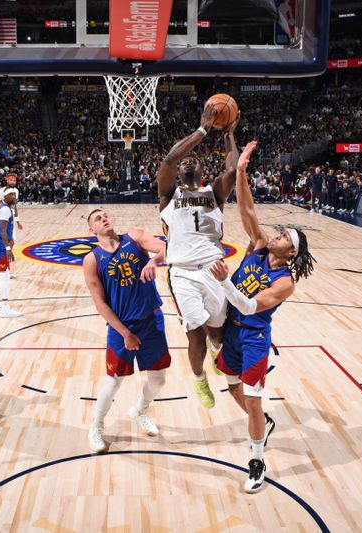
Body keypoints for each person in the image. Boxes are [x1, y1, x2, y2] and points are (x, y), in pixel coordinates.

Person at [210, 141, 315, 493]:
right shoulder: (257, 246)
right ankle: (264, 422)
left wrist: (225, 282)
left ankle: (257, 461)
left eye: (284, 236)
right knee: (232, 388)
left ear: (291, 251)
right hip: (232, 332)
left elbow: (250, 306)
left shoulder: (285, 283)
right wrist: (241, 171)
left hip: (254, 337)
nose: (277, 234)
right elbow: (247, 209)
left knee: (252, 400)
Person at [157, 103, 239, 409]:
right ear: (178, 173)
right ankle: (199, 380)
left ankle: (218, 352)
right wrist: (203, 129)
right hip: (181, 272)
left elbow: (232, 169)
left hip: (214, 268)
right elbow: (169, 158)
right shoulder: (168, 195)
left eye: (194, 160)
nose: (188, 161)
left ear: (203, 172)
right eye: (184, 162)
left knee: (217, 330)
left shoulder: (214, 194)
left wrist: (229, 135)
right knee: (194, 335)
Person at [83, 209, 169, 452]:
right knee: (114, 381)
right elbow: (100, 304)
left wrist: (153, 260)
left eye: (105, 215)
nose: (104, 218)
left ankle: (140, 409)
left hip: (151, 320)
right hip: (122, 327)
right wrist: (125, 333)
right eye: (97, 218)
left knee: (159, 379)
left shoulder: (135, 237)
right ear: (92, 230)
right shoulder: (92, 259)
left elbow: (167, 248)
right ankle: (96, 426)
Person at [0, 189, 22, 317]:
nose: (13, 196)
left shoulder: (8, 208)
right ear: (4, 197)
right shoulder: (5, 210)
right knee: (5, 275)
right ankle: (5, 308)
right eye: (10, 195)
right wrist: (8, 249)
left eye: (14, 194)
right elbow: (2, 230)